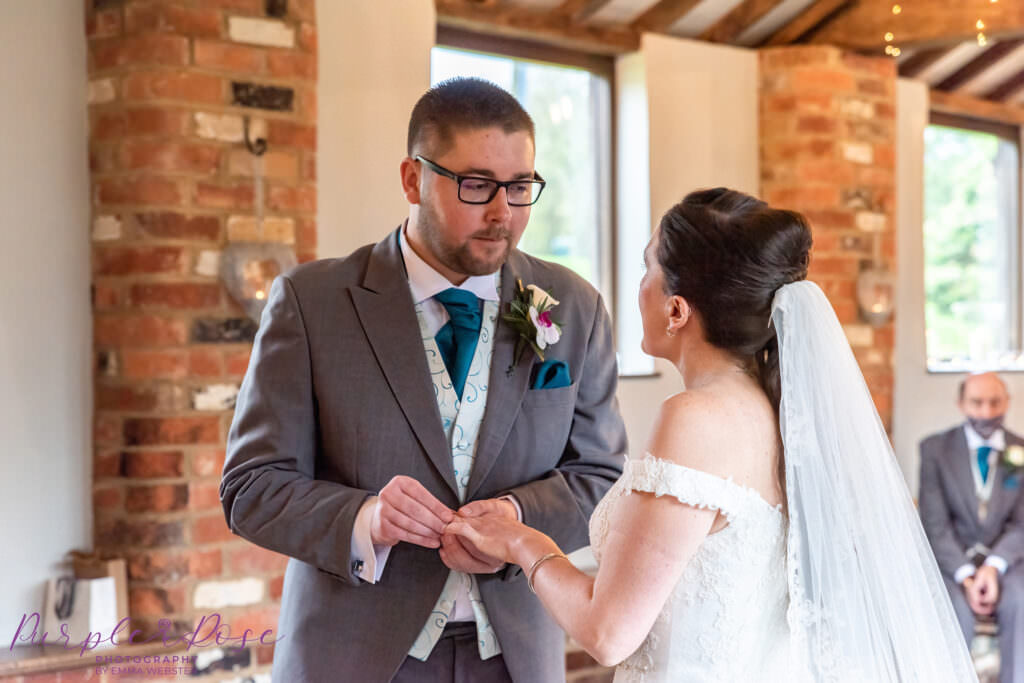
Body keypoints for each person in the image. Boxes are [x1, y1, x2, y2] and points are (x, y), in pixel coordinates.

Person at [447, 188, 977, 682]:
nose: (639, 288)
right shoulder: (776, 410)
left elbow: (607, 634)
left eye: (646, 268)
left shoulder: (694, 418)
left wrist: (522, 541)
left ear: (677, 309)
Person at [219, 77, 627, 682]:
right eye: (477, 185)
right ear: (412, 179)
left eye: (520, 188)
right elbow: (251, 487)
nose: (502, 214)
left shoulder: (574, 306)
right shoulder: (312, 302)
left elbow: (601, 477)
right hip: (353, 658)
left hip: (516, 658)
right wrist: (366, 520)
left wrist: (516, 519)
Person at [920, 372, 1024, 683]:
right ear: (961, 403)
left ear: (1007, 402)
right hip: (953, 561)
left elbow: (1021, 522)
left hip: (1006, 561)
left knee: (1021, 600)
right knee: (952, 608)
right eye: (977, 403)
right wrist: (967, 576)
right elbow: (934, 523)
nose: (987, 411)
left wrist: (993, 568)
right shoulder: (934, 450)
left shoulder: (1019, 451)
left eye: (995, 402)